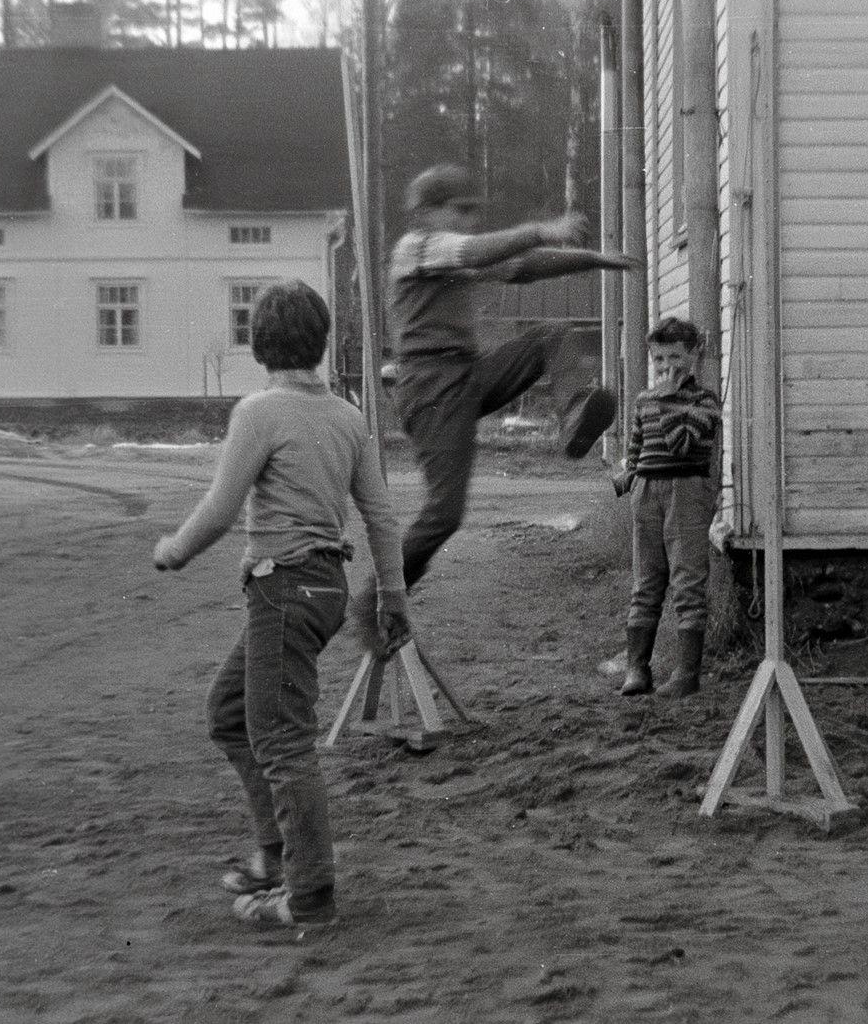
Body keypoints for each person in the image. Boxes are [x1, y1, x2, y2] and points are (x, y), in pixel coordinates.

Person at [153, 280, 408, 928]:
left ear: (259, 343)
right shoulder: (348, 417)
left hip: (282, 591)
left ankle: (310, 893)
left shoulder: (259, 412)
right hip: (324, 589)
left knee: (284, 743)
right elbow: (380, 517)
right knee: (231, 711)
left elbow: (219, 508)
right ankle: (274, 854)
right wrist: (393, 599)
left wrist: (174, 551)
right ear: (320, 343)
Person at [353, 162, 635, 649]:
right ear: (424, 212)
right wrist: (540, 228)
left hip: (467, 373)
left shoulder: (453, 254)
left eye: (472, 211)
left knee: (552, 337)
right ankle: (376, 600)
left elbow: (522, 267)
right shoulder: (417, 247)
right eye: (458, 210)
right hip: (429, 388)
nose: (467, 220)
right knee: (444, 515)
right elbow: (486, 249)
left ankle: (571, 420)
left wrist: (595, 259)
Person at [611, 315, 722, 698]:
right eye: (659, 359)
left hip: (687, 493)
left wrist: (667, 398)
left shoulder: (705, 401)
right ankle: (637, 669)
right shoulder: (645, 400)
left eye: (675, 357)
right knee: (646, 583)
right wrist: (627, 475)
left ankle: (686, 675)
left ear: (693, 355)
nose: (666, 367)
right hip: (647, 494)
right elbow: (636, 448)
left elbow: (682, 443)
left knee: (688, 583)